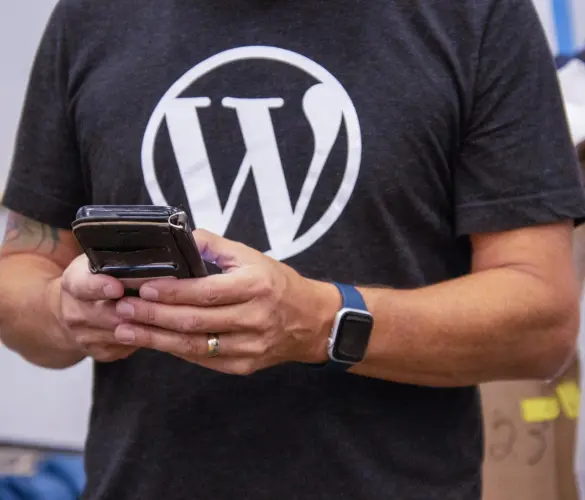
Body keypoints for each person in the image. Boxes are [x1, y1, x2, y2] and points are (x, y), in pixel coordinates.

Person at [0, 0, 584, 498]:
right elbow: (21, 267)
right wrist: (62, 312)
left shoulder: (475, 14)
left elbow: (543, 322)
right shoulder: (92, 15)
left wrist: (319, 322)